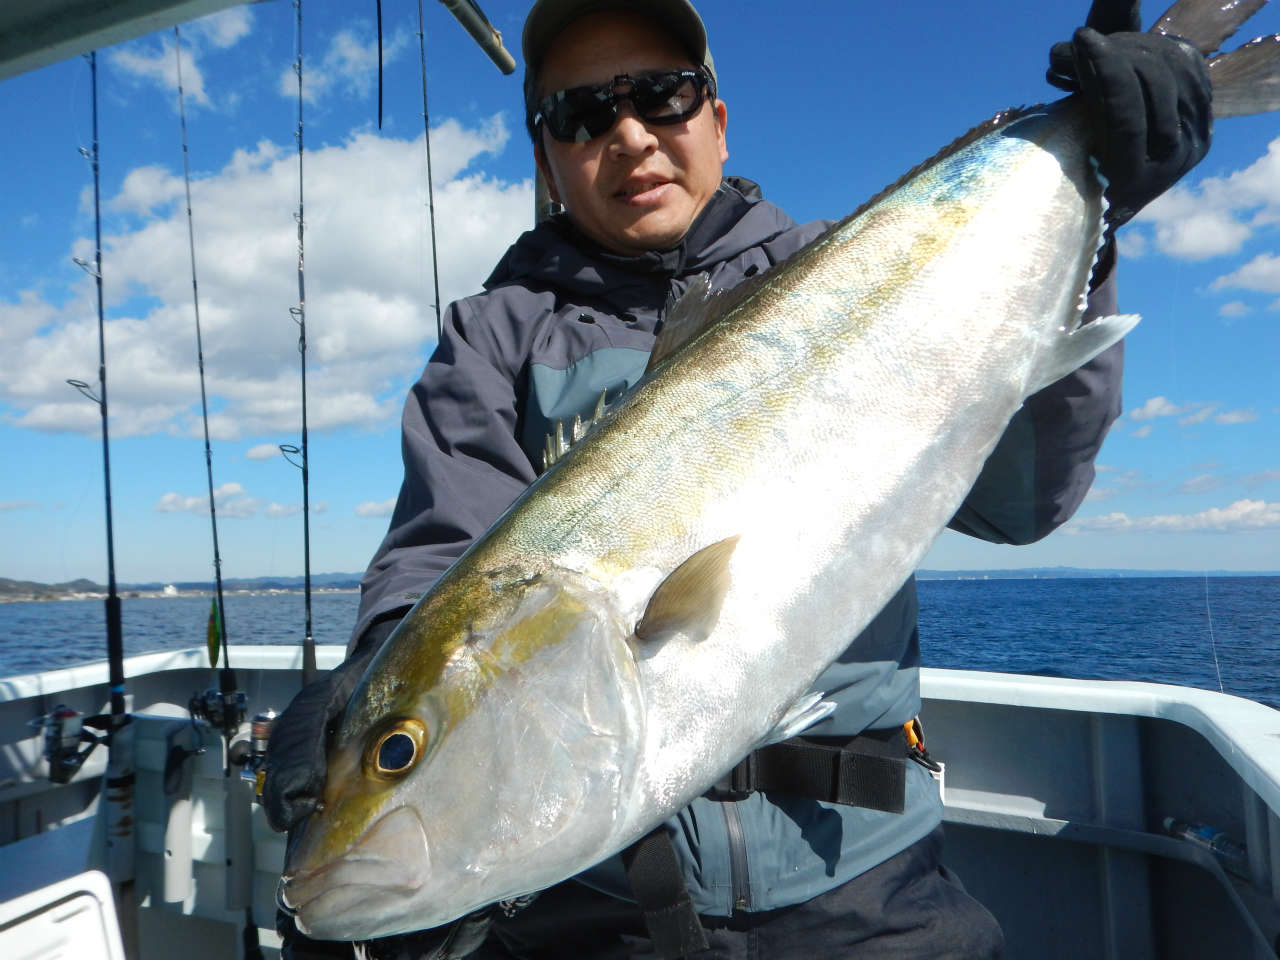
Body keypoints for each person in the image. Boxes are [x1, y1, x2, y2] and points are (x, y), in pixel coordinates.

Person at [264, 0, 1212, 957]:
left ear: (716, 119)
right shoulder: (495, 338)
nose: (630, 135)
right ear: (546, 160)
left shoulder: (844, 269)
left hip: (867, 888)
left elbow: (1024, 501)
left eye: (664, 96)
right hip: (600, 915)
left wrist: (1090, 203)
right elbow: (446, 559)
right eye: (581, 116)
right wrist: (376, 684)